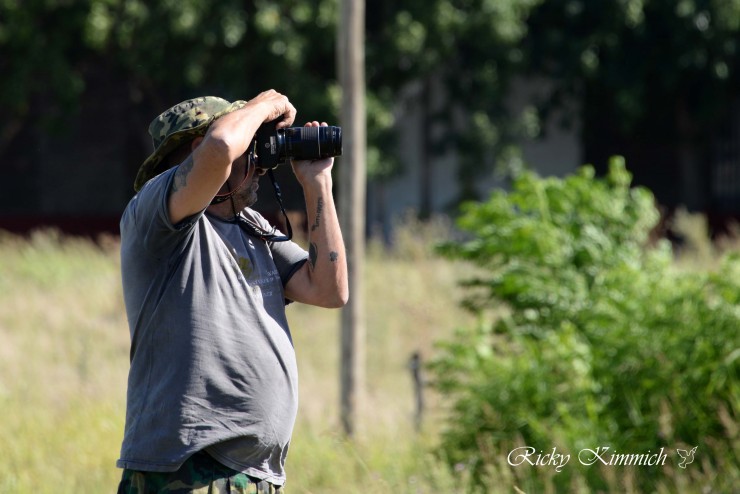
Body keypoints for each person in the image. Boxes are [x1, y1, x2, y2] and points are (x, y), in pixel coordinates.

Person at [116, 91, 349, 493]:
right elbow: (222, 146)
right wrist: (261, 108)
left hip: (252, 476)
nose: (259, 165)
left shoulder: (252, 226)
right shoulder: (157, 211)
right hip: (185, 469)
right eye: (253, 147)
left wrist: (317, 182)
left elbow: (329, 290)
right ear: (196, 149)